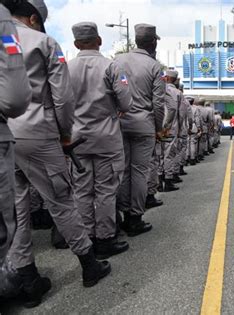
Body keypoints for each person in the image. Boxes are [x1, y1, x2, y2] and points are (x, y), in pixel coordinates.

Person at [9, 0, 110, 307]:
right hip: (36, 132)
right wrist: (65, 133)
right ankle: (89, 264)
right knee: (61, 200)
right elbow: (63, 99)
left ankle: (27, 278)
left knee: (15, 209)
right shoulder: (42, 41)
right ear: (32, 18)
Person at [68, 22, 132, 259]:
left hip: (77, 139)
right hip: (106, 137)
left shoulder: (66, 68)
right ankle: (106, 239)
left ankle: (89, 240)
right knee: (105, 190)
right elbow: (126, 103)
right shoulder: (112, 67)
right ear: (100, 40)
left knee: (82, 191)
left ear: (76, 44)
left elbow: (59, 103)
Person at [115, 23, 165, 236]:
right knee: (139, 172)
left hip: (119, 124)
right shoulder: (154, 66)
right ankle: (134, 218)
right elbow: (158, 103)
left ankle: (122, 212)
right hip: (144, 124)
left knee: (123, 170)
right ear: (153, 42)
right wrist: (158, 128)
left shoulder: (117, 61)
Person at [0, 0, 31, 297]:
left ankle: (23, 265)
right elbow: (15, 97)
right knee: (60, 196)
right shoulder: (5, 24)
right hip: (35, 132)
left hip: (19, 136)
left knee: (20, 201)